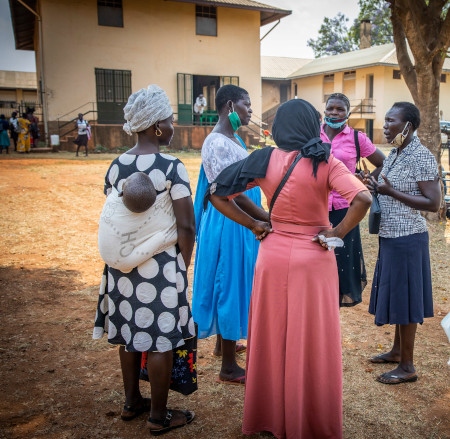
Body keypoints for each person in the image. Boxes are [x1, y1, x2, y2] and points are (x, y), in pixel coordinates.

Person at [208, 98, 372, 438]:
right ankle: (309, 417)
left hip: (273, 255)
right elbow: (363, 199)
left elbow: (217, 193)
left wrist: (253, 224)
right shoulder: (324, 161)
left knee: (270, 335)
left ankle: (269, 414)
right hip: (314, 258)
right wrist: (337, 233)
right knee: (311, 337)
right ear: (313, 125)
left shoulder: (264, 158)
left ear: (280, 128)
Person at [93, 84, 196, 435]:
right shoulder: (171, 167)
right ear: (155, 126)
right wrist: (181, 266)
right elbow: (186, 224)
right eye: (168, 120)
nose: (172, 126)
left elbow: (118, 217)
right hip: (160, 268)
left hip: (121, 267)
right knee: (160, 338)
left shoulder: (115, 166)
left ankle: (131, 401)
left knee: (128, 333)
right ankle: (158, 416)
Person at [192, 84, 268, 384]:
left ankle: (225, 344)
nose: (250, 111)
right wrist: (261, 217)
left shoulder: (231, 138)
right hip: (231, 222)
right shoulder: (218, 143)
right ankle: (228, 367)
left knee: (234, 282)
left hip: (237, 221)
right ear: (229, 107)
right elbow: (231, 193)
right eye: (247, 105)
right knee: (228, 284)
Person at [366, 102, 441, 384]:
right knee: (398, 295)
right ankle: (397, 351)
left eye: (390, 121)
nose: (385, 126)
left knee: (407, 300)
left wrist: (390, 192)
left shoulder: (421, 156)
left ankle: (407, 366)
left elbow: (433, 203)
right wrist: (372, 184)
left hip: (409, 237)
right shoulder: (396, 153)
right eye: (384, 121)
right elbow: (383, 185)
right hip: (391, 235)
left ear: (408, 126)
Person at [321, 93, 385, 307]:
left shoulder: (357, 138)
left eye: (340, 109)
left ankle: (333, 305)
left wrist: (365, 182)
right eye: (331, 108)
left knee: (341, 259)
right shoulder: (313, 134)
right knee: (317, 255)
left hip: (345, 209)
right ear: (324, 110)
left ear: (348, 113)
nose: (334, 113)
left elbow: (383, 163)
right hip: (316, 206)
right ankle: (317, 297)